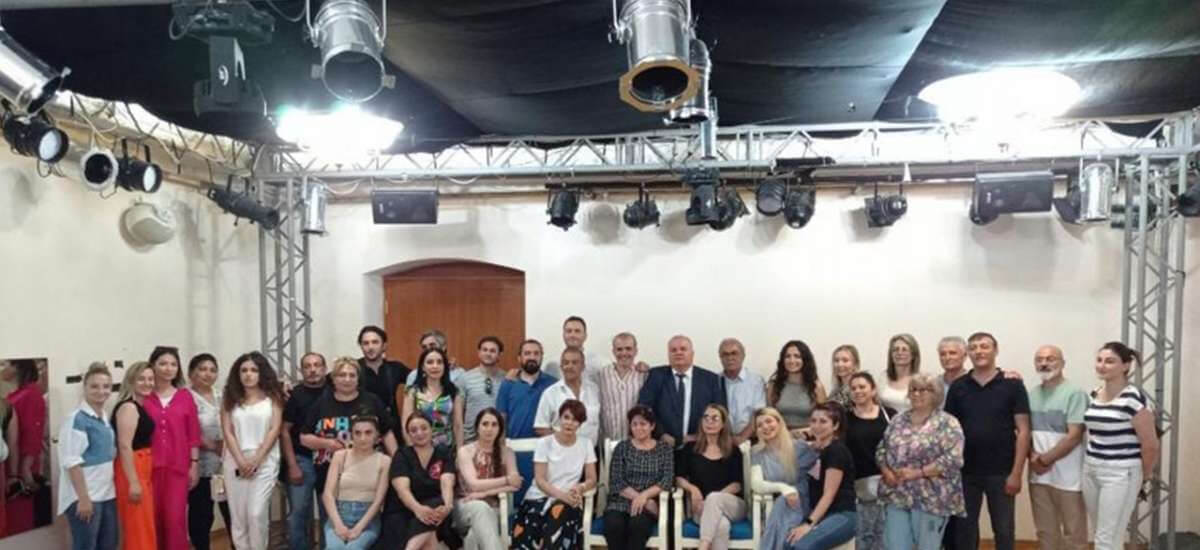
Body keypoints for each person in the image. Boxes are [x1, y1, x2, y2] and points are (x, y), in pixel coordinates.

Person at [943, 332, 1030, 550]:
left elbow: (1023, 430)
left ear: (995, 350)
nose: (979, 351)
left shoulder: (1013, 385)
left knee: (1004, 530)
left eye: (984, 346)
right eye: (973, 347)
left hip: (1002, 472)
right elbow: (949, 432)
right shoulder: (958, 387)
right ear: (968, 353)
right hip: (965, 472)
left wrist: (1017, 473)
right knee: (965, 531)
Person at [301, 357, 399, 526]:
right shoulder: (322, 403)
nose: (347, 379)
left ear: (358, 378)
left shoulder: (372, 401)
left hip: (368, 478)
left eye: (352, 375)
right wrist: (327, 444)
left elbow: (387, 433)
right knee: (330, 524)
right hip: (329, 475)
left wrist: (398, 462)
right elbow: (304, 438)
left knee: (369, 525)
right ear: (333, 379)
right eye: (342, 375)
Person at [1083, 342, 1159, 550]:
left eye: (1110, 361)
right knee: (1105, 534)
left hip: (1120, 473)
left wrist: (1142, 477)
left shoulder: (1134, 399)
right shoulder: (1095, 393)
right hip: (1091, 468)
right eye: (1099, 360)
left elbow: (1151, 445)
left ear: (1125, 366)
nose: (1102, 365)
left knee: (1105, 539)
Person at [876, 373, 966, 550]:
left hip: (931, 498)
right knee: (894, 545)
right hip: (896, 493)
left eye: (923, 390)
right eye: (913, 390)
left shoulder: (948, 423)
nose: (916, 394)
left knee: (927, 546)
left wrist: (917, 473)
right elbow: (881, 449)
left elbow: (953, 458)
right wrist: (886, 471)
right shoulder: (898, 420)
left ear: (936, 394)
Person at [512, 400, 597, 550]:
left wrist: (581, 487)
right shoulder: (544, 443)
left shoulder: (586, 444)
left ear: (580, 424)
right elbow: (540, 480)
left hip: (569, 500)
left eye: (575, 420)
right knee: (534, 528)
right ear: (560, 418)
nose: (570, 423)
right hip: (539, 497)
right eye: (566, 417)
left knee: (560, 516)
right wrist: (561, 496)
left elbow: (592, 478)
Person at [221, 352, 285, 550]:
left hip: (264, 461)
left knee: (256, 514)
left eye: (253, 370)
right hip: (235, 461)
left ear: (261, 372)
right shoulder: (229, 399)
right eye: (244, 370)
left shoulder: (273, 398)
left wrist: (257, 459)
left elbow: (274, 429)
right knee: (239, 517)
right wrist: (241, 461)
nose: (248, 374)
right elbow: (228, 431)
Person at [1027, 345, 1088, 550]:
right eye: (1039, 359)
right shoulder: (1032, 394)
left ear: (1063, 363)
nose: (1044, 363)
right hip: (1038, 476)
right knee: (1045, 531)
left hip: (1069, 477)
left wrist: (1045, 460)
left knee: (1074, 533)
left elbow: (1074, 436)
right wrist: (1032, 457)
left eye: (1050, 359)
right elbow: (1026, 433)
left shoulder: (1075, 393)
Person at [142, 346, 201, 550]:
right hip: (148, 469)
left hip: (178, 469)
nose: (168, 368)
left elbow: (193, 434)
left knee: (174, 520)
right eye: (163, 363)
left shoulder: (185, 396)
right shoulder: (144, 397)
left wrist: (194, 464)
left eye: (173, 364)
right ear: (153, 366)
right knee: (152, 519)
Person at [57, 363, 117, 550]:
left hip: (106, 493)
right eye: (94, 386)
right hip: (86, 496)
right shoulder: (77, 419)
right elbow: (71, 461)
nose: (101, 391)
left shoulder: (103, 416)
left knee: (108, 544)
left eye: (106, 386)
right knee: (86, 546)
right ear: (84, 388)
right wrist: (83, 498)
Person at [784, 403, 857, 550]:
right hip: (824, 515)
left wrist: (808, 524)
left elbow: (829, 494)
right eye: (813, 421)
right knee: (788, 543)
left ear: (835, 425)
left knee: (801, 546)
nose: (817, 426)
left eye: (823, 421)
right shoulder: (819, 450)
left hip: (842, 514)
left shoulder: (836, 451)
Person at [674, 404, 744, 550]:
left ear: (723, 424)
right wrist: (692, 489)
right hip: (700, 507)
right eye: (706, 418)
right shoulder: (690, 448)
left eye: (714, 418)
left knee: (713, 498)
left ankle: (703, 546)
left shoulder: (733, 450)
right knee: (722, 525)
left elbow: (737, 484)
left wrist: (712, 501)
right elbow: (678, 478)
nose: (709, 422)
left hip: (733, 505)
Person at [638, 335, 728, 447]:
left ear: (692, 353)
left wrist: (700, 435)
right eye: (673, 350)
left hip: (699, 446)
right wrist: (660, 434)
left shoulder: (710, 379)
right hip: (661, 446)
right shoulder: (656, 375)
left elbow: (720, 413)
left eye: (683, 349)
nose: (678, 353)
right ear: (668, 354)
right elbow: (644, 409)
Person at [384, 413, 458, 550]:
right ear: (408, 435)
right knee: (429, 533)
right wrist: (417, 509)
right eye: (414, 430)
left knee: (437, 504)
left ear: (431, 429)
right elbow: (402, 490)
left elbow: (447, 482)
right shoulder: (402, 455)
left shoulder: (444, 452)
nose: (419, 433)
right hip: (404, 510)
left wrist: (447, 506)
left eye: (424, 428)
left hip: (436, 513)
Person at [603, 405, 673, 550]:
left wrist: (645, 497)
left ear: (652, 426)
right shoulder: (622, 447)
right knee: (614, 525)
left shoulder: (664, 449)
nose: (638, 428)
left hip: (648, 505)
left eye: (643, 424)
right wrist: (641, 498)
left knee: (638, 526)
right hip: (620, 502)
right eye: (634, 424)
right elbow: (616, 481)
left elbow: (667, 480)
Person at [750, 407, 818, 550]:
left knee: (783, 505)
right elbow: (757, 483)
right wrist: (784, 489)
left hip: (801, 501)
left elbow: (822, 466)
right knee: (781, 503)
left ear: (779, 422)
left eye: (769, 421)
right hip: (773, 502)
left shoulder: (799, 447)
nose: (765, 427)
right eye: (759, 425)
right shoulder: (757, 453)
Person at [454, 408, 521, 550]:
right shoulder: (465, 451)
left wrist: (485, 493)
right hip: (466, 505)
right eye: (485, 424)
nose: (489, 429)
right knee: (481, 508)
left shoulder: (507, 453)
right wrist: (506, 480)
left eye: (494, 424)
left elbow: (516, 484)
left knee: (473, 536)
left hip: (497, 507)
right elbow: (473, 485)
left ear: (500, 429)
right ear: (477, 427)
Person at [283, 352, 330, 550]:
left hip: (329, 461)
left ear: (325, 369)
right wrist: (292, 465)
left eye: (317, 365)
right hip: (302, 459)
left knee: (329, 513)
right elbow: (284, 431)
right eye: (307, 366)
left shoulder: (334, 391)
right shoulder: (295, 395)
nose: (312, 370)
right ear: (301, 371)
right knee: (298, 513)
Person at [321, 415, 389, 550]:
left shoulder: (384, 461)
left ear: (377, 436)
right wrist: (338, 525)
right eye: (357, 433)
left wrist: (359, 528)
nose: (362, 438)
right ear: (351, 435)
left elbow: (378, 501)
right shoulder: (340, 456)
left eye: (368, 433)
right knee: (334, 548)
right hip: (339, 515)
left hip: (367, 519)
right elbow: (327, 494)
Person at [186, 353, 233, 550]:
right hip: (200, 466)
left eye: (213, 370)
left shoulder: (222, 396)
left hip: (225, 465)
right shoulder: (185, 397)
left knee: (232, 514)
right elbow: (187, 430)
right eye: (202, 369)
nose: (208, 374)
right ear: (191, 373)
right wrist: (213, 445)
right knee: (202, 517)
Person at [843, 373, 894, 550]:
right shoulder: (845, 419)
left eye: (862, 387)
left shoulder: (890, 415)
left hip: (888, 484)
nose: (858, 391)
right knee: (863, 535)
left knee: (886, 536)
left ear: (873, 390)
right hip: (859, 488)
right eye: (853, 388)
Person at [112, 362, 158, 550]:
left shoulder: (140, 406)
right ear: (131, 381)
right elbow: (124, 445)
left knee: (143, 525)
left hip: (142, 467)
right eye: (141, 379)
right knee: (138, 527)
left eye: (150, 379)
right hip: (133, 469)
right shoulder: (129, 407)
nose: (147, 383)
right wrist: (133, 481)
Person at [5, 358, 46, 536]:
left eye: (4, 364)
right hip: (11, 464)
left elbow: (33, 431)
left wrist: (25, 467)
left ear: (17, 367)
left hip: (21, 467)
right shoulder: (16, 394)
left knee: (19, 521)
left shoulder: (30, 394)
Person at [534, 347, 602, 445]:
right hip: (560, 451)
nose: (569, 366)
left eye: (574, 363)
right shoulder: (550, 393)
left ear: (583, 366)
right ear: (561, 366)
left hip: (591, 451)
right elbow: (541, 427)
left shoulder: (594, 389)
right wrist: (563, 442)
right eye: (566, 363)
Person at [401, 347, 464, 448]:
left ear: (445, 366)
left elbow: (458, 425)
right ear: (423, 367)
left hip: (446, 448)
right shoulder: (413, 391)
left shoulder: (453, 391)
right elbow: (406, 425)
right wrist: (412, 450)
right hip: (420, 447)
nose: (435, 366)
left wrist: (460, 451)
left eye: (439, 362)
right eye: (430, 362)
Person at [496, 339, 557, 439]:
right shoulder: (508, 383)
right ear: (519, 358)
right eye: (527, 353)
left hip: (545, 444)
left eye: (536, 353)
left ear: (541, 357)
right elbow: (501, 417)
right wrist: (501, 444)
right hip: (514, 444)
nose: (532, 357)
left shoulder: (553, 384)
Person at [767, 340, 827, 437]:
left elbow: (824, 420)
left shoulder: (816, 386)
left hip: (808, 437)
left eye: (797, 356)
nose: (792, 360)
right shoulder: (773, 386)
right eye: (787, 356)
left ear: (805, 360)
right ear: (783, 360)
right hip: (780, 437)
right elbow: (768, 417)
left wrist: (803, 432)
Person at [597, 332, 648, 443]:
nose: (624, 353)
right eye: (619, 349)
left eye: (628, 349)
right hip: (609, 440)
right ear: (613, 351)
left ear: (635, 351)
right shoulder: (602, 374)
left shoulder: (644, 375)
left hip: (637, 442)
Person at [719, 338, 767, 446]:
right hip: (721, 441)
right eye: (725, 354)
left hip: (751, 440)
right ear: (720, 357)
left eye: (734, 353)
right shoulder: (714, 381)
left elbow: (758, 413)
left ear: (743, 355)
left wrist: (742, 437)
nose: (730, 358)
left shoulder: (756, 381)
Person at [458, 337, 506, 443]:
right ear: (479, 353)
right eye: (485, 350)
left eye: (492, 351)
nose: (488, 354)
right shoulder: (465, 378)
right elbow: (458, 414)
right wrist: (459, 444)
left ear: (499, 355)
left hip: (497, 440)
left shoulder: (506, 380)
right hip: (470, 439)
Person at [356, 326, 411, 417]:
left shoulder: (395, 368)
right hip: (362, 422)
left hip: (391, 422)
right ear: (361, 346)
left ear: (384, 345)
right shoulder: (353, 368)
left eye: (375, 342)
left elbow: (419, 378)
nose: (370, 347)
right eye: (366, 343)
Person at [879, 334, 920, 413]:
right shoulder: (884, 377)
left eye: (904, 349)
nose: (899, 353)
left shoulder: (921, 379)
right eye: (895, 349)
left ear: (913, 355)